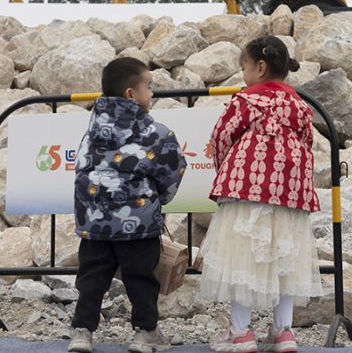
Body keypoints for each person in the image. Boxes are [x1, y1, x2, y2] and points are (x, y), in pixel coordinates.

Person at [199, 36, 323, 353]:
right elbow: (308, 142)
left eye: (244, 67)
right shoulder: (299, 104)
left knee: (244, 259)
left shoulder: (246, 100)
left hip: (247, 189)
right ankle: (283, 333)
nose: (243, 74)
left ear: (260, 67)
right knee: (285, 261)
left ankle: (241, 334)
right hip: (290, 192)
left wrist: (225, 167)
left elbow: (221, 135)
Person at [68, 57, 186, 353]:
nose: (152, 93)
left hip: (94, 221)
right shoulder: (155, 133)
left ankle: (82, 332)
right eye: (148, 85)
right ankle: (145, 333)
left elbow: (81, 168)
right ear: (130, 94)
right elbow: (172, 173)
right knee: (141, 278)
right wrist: (155, 202)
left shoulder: (91, 131)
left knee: (92, 277)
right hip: (137, 223)